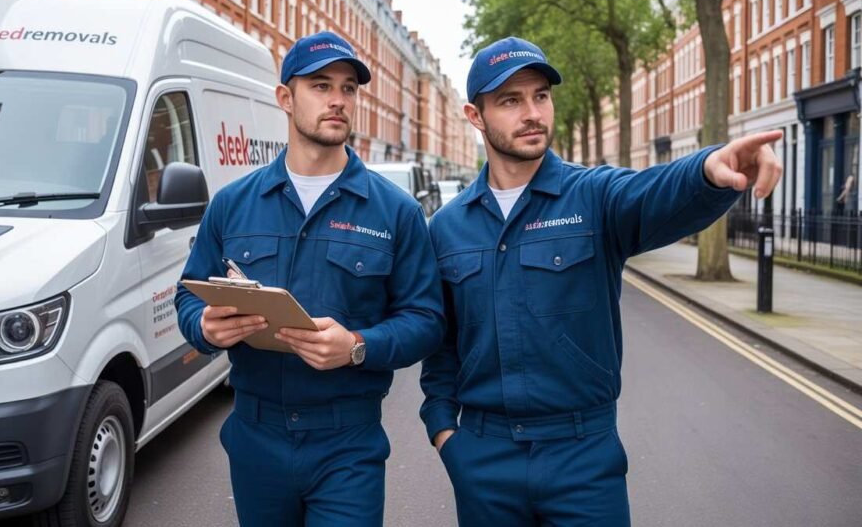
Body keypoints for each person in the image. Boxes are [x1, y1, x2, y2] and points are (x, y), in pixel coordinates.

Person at [420, 36, 782, 526]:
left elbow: (652, 193)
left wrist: (708, 171)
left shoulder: (592, 196)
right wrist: (446, 435)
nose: (532, 112)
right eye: (510, 100)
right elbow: (441, 347)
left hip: (582, 457)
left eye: (541, 96)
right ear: (475, 116)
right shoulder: (447, 226)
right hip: (484, 457)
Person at [175, 31, 444, 527]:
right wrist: (206, 328)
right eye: (321, 86)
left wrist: (358, 346)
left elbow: (426, 319)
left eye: (348, 88)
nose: (338, 100)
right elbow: (188, 295)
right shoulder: (232, 204)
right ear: (285, 97)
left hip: (347, 443)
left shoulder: (395, 211)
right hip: (256, 437)